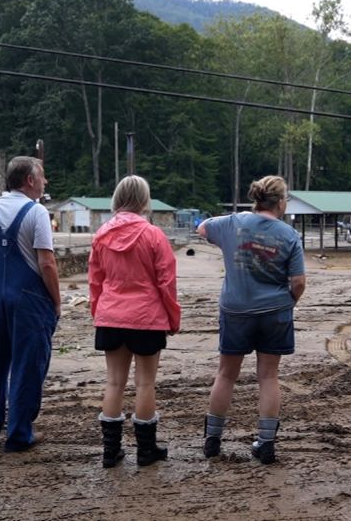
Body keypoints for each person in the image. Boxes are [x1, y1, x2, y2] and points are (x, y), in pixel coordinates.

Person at [198, 175, 306, 464]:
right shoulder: (288, 234)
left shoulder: (231, 223)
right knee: (268, 376)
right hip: (274, 312)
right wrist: (288, 302)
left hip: (235, 311)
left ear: (256, 199)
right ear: (281, 202)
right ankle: (266, 443)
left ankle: (213, 440)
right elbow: (298, 281)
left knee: (225, 374)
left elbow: (201, 228)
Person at [89, 175, 181, 468]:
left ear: (117, 198)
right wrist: (172, 318)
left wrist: (99, 313)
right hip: (146, 317)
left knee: (114, 382)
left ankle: (110, 452)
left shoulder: (101, 235)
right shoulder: (154, 235)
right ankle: (146, 451)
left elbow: (95, 281)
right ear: (144, 200)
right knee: (145, 384)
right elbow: (167, 282)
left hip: (111, 315)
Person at [0, 156, 61, 452]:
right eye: (43, 176)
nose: (45, 182)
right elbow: (46, 263)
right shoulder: (37, 213)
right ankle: (19, 434)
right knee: (27, 365)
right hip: (30, 300)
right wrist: (56, 302)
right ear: (30, 180)